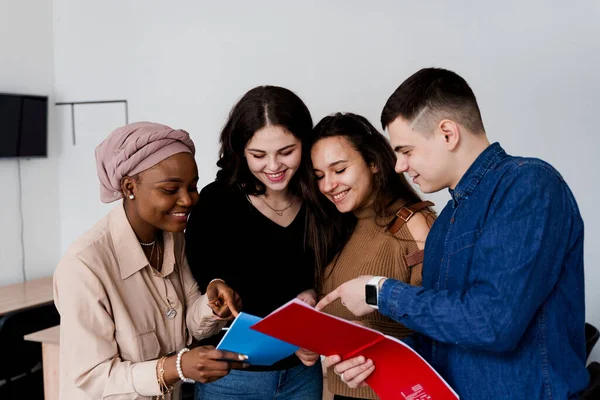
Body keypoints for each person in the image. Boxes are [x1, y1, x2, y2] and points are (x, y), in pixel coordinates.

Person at [316, 68, 589, 399]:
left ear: (447, 133)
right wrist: (375, 351)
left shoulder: (529, 185)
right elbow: (444, 339)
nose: (399, 165)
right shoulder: (446, 222)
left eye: (406, 150)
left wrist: (379, 292)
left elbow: (493, 323)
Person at [54, 121, 247, 400]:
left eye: (192, 187)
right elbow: (93, 378)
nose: (188, 200)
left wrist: (210, 305)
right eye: (171, 190)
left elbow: (186, 327)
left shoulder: (174, 238)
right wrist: (176, 367)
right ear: (129, 186)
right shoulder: (84, 266)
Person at [184, 86, 323, 400]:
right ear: (239, 151)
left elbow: (336, 269)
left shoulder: (320, 199)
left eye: (287, 152)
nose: (273, 166)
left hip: (302, 374)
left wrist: (316, 293)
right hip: (230, 378)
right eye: (258, 155)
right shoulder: (216, 203)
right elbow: (199, 289)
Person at [305, 112, 435, 400]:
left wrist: (377, 340)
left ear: (374, 163)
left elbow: (437, 321)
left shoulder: (414, 224)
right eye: (319, 176)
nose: (327, 185)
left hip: (395, 392)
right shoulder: (339, 226)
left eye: (339, 170)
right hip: (340, 392)